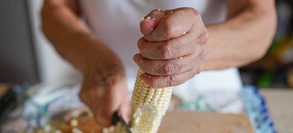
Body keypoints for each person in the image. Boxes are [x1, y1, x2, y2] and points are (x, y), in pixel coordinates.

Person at [41, 0, 277, 126]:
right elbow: (54, 8)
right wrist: (92, 58)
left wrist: (201, 48)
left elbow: (261, 20)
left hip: (213, 95)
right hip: (106, 93)